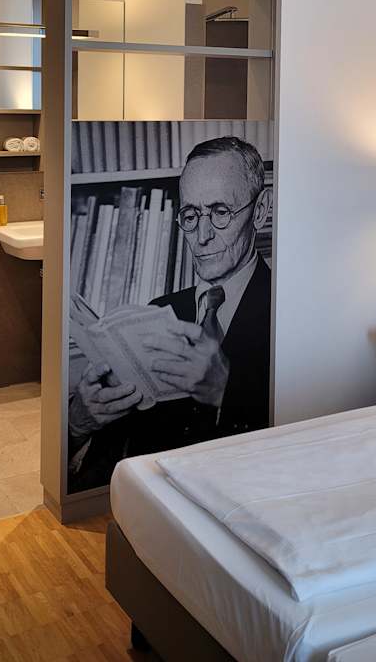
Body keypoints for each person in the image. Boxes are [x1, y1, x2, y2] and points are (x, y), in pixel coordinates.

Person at [68, 136, 272, 490]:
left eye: (220, 212)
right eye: (190, 216)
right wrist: (79, 421)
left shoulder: (287, 311)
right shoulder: (160, 310)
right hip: (148, 499)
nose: (202, 236)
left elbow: (303, 437)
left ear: (260, 210)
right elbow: (108, 460)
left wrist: (225, 390)